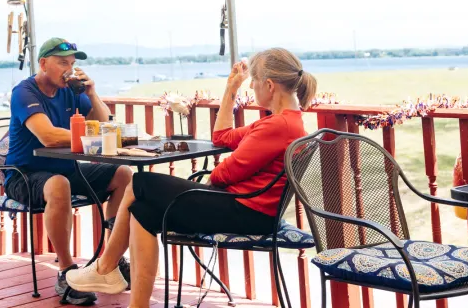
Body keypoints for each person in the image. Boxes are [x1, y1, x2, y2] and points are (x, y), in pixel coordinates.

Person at [65, 48, 315, 308]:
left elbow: (221, 175)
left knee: (140, 183)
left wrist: (229, 167)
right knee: (142, 209)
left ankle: (105, 267)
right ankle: (134, 301)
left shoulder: (276, 126)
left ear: (270, 85)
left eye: (253, 81)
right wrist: (231, 89)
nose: (251, 86)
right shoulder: (285, 122)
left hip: (246, 212)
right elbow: (222, 137)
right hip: (248, 208)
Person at [6, 37, 133, 305]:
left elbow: (102, 122)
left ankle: (111, 259)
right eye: (62, 62)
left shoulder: (71, 91)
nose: (68, 69)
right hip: (24, 175)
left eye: (72, 64)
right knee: (59, 184)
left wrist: (91, 93)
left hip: (66, 169)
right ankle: (67, 272)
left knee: (123, 174)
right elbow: (48, 136)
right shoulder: (24, 92)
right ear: (43, 63)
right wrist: (91, 136)